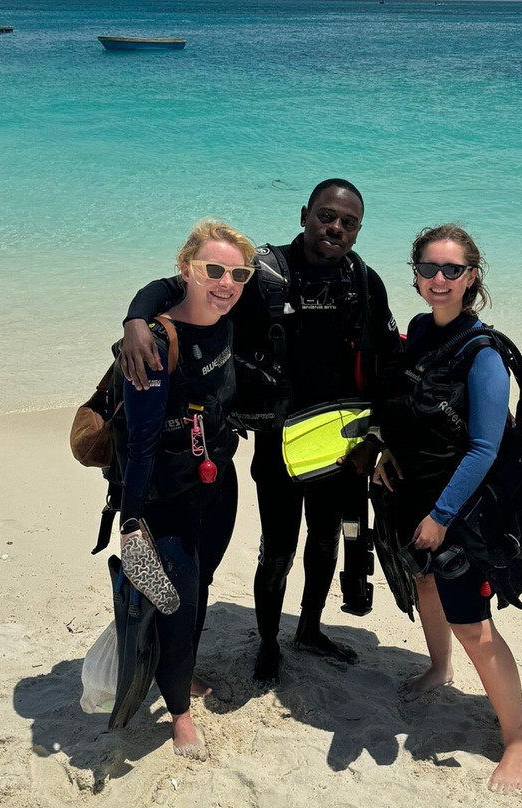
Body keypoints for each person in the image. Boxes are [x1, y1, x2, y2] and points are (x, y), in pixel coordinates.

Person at [119, 179, 401, 687]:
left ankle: (310, 629)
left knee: (325, 543)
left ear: (358, 231)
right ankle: (269, 642)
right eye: (325, 216)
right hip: (277, 440)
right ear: (304, 214)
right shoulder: (266, 275)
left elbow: (388, 361)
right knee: (278, 548)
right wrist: (137, 317)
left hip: (342, 445)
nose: (335, 227)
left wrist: (376, 437)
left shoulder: (364, 281)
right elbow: (183, 287)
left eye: (348, 222)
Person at [372, 224, 522, 793]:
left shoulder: (483, 352)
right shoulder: (418, 330)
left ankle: (516, 741)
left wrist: (441, 516)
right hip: (414, 494)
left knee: (474, 625)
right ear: (415, 276)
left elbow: (486, 448)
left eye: (452, 271)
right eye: (429, 269)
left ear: (472, 277)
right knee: (424, 588)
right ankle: (438, 669)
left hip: (461, 508)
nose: (439, 280)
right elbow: (405, 409)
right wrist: (386, 451)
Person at [116, 218, 255, 758]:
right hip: (167, 499)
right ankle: (180, 716)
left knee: (201, 588)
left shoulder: (225, 314)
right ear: (186, 271)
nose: (225, 282)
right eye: (212, 270)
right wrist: (131, 524)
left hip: (218, 482)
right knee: (177, 602)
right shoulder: (152, 345)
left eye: (236, 273)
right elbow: (141, 445)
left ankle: (180, 674)